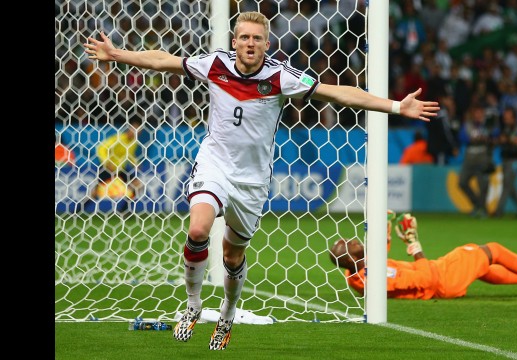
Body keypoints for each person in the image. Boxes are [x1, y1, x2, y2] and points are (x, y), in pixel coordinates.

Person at [84, 11, 440, 351]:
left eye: (257, 38)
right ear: (234, 41)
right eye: (244, 38)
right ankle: (193, 304)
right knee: (198, 230)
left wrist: (395, 106)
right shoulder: (216, 64)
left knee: (232, 254)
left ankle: (226, 314)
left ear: (267, 44)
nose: (250, 44)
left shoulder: (280, 77)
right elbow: (164, 60)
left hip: (252, 181)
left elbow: (338, 92)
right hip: (215, 165)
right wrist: (116, 54)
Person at [329, 212, 517, 301]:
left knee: (481, 266)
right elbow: (426, 279)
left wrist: (387, 230)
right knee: (492, 250)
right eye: (350, 245)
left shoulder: (358, 272)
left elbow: (379, 261)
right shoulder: (371, 277)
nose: (354, 241)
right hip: (441, 280)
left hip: (441, 274)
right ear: (351, 258)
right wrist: (415, 244)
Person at [91, 116, 144, 201]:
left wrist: (135, 164)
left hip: (120, 170)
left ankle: (124, 211)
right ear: (129, 128)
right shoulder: (119, 138)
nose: (137, 132)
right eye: (135, 129)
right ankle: (77, 211)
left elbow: (129, 155)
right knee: (94, 194)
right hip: (108, 168)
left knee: (137, 186)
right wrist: (106, 162)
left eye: (139, 130)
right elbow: (101, 148)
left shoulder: (134, 142)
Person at [491, 107, 517, 219]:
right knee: (510, 187)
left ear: (514, 118)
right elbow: (500, 141)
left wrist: (508, 139)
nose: (506, 120)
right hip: (506, 159)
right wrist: (499, 140)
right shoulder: (505, 129)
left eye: (508, 118)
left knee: (507, 184)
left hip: (516, 160)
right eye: (505, 118)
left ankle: (499, 211)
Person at [457, 105, 493, 218]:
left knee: (483, 184)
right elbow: (462, 137)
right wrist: (474, 139)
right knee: (462, 182)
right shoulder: (468, 125)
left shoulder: (488, 125)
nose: (478, 115)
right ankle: (478, 205)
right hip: (470, 156)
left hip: (482, 155)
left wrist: (484, 138)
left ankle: (482, 209)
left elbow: (494, 136)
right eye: (476, 113)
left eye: (480, 113)